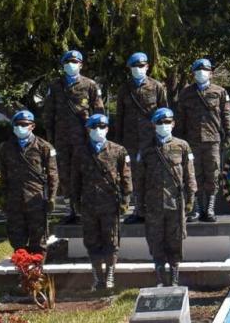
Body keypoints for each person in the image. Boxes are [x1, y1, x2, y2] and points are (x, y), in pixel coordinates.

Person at [136, 108, 198, 287]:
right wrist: (139, 205)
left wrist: (190, 200)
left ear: (173, 124)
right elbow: (139, 179)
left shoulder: (182, 146)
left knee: (175, 241)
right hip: (153, 204)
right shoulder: (146, 148)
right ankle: (160, 278)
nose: (164, 126)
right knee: (156, 241)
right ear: (154, 125)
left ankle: (175, 277)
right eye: (160, 123)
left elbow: (190, 175)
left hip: (176, 204)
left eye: (167, 122)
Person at [71, 114, 132, 290]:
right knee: (92, 240)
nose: (98, 130)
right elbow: (75, 178)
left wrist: (125, 199)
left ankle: (110, 274)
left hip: (110, 203)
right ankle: (98, 276)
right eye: (94, 127)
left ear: (107, 128)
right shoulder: (80, 152)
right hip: (88, 204)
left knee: (111, 240)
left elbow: (126, 176)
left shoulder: (118, 150)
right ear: (88, 129)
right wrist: (74, 201)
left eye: (102, 126)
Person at [44, 50, 105, 224]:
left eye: (75, 61)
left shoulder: (90, 85)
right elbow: (48, 113)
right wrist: (50, 139)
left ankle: (89, 209)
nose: (71, 65)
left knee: (85, 173)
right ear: (63, 65)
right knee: (65, 173)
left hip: (85, 138)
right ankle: (72, 210)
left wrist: (98, 137)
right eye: (68, 62)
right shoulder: (55, 86)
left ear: (81, 64)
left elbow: (99, 112)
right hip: (62, 139)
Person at [176, 58, 230, 223]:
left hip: (212, 140)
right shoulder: (186, 93)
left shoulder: (220, 92)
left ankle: (209, 209)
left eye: (205, 70)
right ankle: (196, 209)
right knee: (194, 175)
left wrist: (228, 133)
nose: (202, 73)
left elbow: (226, 114)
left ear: (211, 73)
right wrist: (179, 140)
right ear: (193, 73)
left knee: (212, 174)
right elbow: (180, 118)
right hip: (191, 141)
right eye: (198, 70)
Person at [117, 52, 169, 225]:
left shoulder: (157, 87)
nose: (138, 69)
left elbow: (164, 114)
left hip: (152, 140)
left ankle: (156, 210)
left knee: (154, 175)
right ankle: (139, 211)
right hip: (131, 140)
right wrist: (119, 141)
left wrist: (164, 138)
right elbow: (120, 117)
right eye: (134, 67)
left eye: (141, 66)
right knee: (135, 176)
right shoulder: (124, 89)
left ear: (147, 67)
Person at [0, 110, 58, 254]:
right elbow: (3, 175)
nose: (20, 127)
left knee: (38, 238)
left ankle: (37, 270)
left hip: (36, 199)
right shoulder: (6, 148)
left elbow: (53, 175)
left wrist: (51, 197)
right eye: (17, 124)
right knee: (17, 237)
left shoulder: (44, 147)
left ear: (32, 126)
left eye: (24, 124)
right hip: (14, 199)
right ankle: (22, 268)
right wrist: (2, 198)